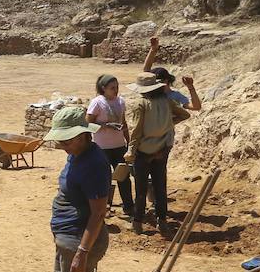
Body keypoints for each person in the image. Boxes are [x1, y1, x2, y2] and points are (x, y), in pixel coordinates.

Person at [41, 106, 110, 272]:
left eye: (67, 140)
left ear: (84, 135)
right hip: (66, 239)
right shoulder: (76, 154)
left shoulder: (94, 164)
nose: (62, 145)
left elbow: (98, 214)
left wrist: (83, 251)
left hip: (79, 241)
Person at [126, 72, 192, 236]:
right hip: (162, 150)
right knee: (160, 187)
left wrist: (130, 151)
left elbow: (137, 131)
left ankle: (137, 222)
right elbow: (185, 114)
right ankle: (162, 221)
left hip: (143, 151)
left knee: (141, 189)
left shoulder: (141, 104)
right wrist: (168, 125)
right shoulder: (166, 100)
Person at [86, 75, 134, 218]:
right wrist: (106, 125)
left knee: (123, 177)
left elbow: (124, 123)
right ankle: (105, 207)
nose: (116, 90)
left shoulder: (120, 102)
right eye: (112, 88)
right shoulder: (97, 103)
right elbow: (88, 124)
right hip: (102, 147)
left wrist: (129, 142)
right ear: (103, 89)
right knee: (104, 178)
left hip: (119, 146)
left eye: (117, 87)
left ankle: (128, 206)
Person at [143, 37, 202, 111]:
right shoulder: (152, 93)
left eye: (158, 82)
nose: (155, 84)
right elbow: (146, 70)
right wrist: (153, 50)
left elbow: (196, 107)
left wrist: (191, 88)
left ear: (166, 81)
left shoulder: (175, 96)